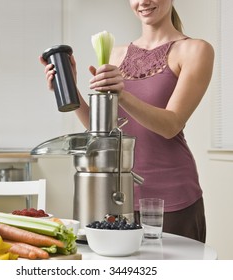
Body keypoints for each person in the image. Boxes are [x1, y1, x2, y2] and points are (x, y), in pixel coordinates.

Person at [39, 0, 214, 243]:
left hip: (171, 197)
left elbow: (171, 125)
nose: (143, 1)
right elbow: (103, 131)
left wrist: (122, 94)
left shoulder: (195, 50)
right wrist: (70, 89)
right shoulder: (115, 54)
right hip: (116, 196)